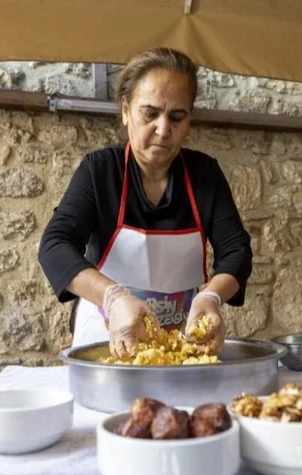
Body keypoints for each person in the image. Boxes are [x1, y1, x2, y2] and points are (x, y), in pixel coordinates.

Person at [37, 47, 253, 359]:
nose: (163, 130)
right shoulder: (100, 171)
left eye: (177, 117)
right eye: (150, 114)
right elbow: (55, 246)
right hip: (106, 335)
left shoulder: (205, 175)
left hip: (181, 340)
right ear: (126, 111)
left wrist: (212, 297)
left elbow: (237, 252)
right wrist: (112, 297)